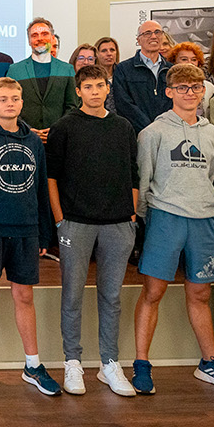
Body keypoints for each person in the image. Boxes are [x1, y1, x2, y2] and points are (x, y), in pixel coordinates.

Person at [131, 63, 214, 395]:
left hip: (204, 220)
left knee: (201, 293)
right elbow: (144, 180)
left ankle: (209, 362)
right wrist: (146, 220)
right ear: (169, 92)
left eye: (195, 87)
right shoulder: (153, 132)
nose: (190, 93)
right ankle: (141, 364)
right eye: (182, 88)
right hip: (165, 218)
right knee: (154, 292)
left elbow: (210, 177)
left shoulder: (212, 133)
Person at [46, 64, 139, 397]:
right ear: (78, 91)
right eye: (89, 86)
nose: (95, 91)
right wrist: (60, 220)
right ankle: (73, 362)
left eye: (101, 85)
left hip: (118, 223)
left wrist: (130, 214)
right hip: (76, 222)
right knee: (71, 295)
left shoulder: (123, 127)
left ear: (108, 88)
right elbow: (51, 177)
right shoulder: (64, 127)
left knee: (111, 297)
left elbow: (133, 172)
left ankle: (109, 364)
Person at [0, 77, 59, 396]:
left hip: (27, 231)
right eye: (3, 99)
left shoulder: (32, 140)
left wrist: (45, 232)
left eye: (15, 98)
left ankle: (32, 364)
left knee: (25, 296)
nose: (10, 103)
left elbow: (41, 189)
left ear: (22, 102)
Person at [5, 16, 78, 142]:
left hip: (59, 140)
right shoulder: (15, 71)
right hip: (24, 138)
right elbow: (9, 105)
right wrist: (26, 128)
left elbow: (72, 106)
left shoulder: (67, 69)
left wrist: (57, 129)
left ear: (52, 38)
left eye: (44, 34)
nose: (40, 38)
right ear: (29, 41)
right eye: (35, 35)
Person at [112, 20, 172, 134]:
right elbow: (124, 104)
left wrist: (163, 125)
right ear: (138, 40)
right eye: (147, 33)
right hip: (137, 133)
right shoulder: (123, 69)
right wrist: (150, 128)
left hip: (168, 133)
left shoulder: (172, 70)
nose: (153, 36)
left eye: (157, 32)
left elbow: (175, 102)